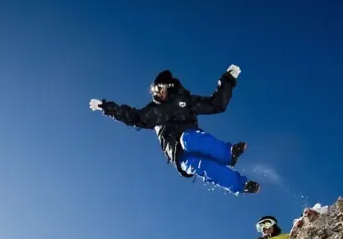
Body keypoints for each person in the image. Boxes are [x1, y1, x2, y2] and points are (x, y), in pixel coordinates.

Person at [90, 66, 260, 195]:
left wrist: (227, 81)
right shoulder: (152, 111)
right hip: (177, 153)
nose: (158, 94)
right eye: (154, 90)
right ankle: (241, 185)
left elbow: (216, 104)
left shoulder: (185, 101)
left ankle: (228, 154)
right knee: (198, 166)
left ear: (169, 87)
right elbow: (130, 116)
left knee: (188, 139)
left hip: (191, 137)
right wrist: (106, 107)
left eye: (160, 89)